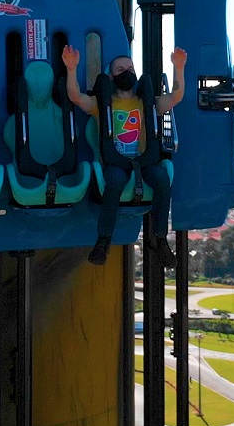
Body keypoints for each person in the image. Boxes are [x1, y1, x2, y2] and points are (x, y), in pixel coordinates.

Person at [63, 46, 187, 267]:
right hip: (117, 163)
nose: (126, 72)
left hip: (144, 160)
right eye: (120, 69)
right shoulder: (102, 105)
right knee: (115, 181)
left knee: (161, 179)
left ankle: (160, 240)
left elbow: (176, 96)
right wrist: (71, 69)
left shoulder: (146, 103)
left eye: (130, 69)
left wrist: (178, 68)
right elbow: (75, 96)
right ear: (111, 76)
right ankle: (103, 241)